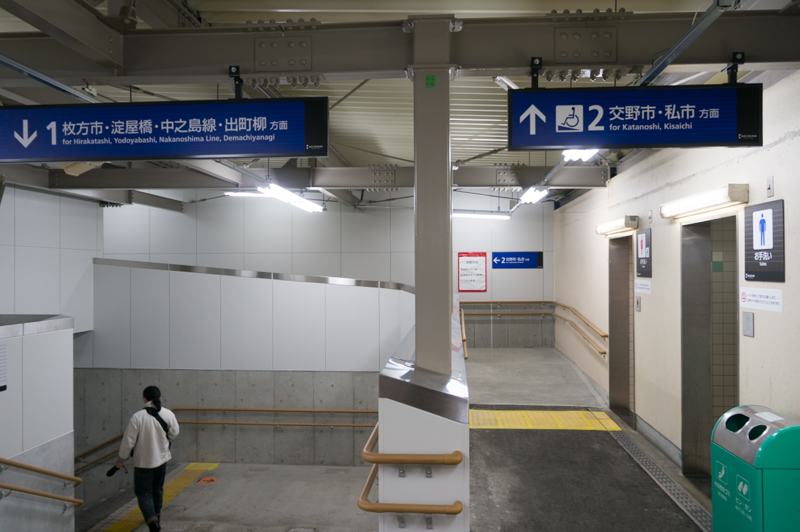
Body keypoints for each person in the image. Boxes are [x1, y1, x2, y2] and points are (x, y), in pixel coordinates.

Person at [114, 386, 179, 532]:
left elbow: (128, 442)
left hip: (143, 463)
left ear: (144, 398)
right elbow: (174, 432)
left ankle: (151, 519)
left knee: (144, 493)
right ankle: (157, 515)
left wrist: (121, 459)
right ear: (160, 397)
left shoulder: (137, 417)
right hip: (161, 460)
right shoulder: (168, 414)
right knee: (157, 489)